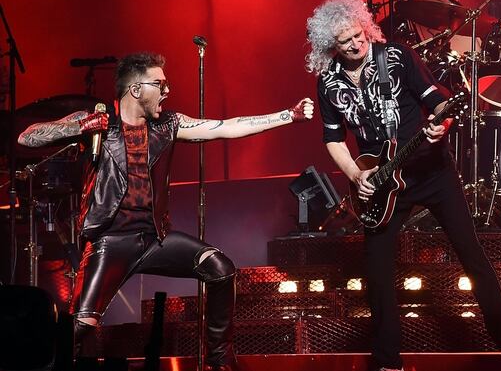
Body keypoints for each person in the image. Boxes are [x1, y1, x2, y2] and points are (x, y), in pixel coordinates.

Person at [17, 52, 314, 370]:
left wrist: (288, 115)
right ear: (135, 89)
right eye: (159, 84)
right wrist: (76, 127)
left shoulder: (168, 124)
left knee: (220, 267)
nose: (167, 90)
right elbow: (27, 137)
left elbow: (224, 128)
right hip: (109, 240)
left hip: (153, 238)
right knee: (82, 325)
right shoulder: (100, 123)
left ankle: (220, 363)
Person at [307, 0, 501, 371]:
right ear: (330, 46)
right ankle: (387, 362)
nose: (355, 43)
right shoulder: (328, 82)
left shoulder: (396, 56)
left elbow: (438, 102)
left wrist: (441, 124)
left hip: (431, 171)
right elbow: (333, 138)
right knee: (378, 274)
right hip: (380, 182)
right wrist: (356, 175)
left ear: (365, 27)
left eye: (357, 33)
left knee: (472, 256)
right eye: (345, 40)